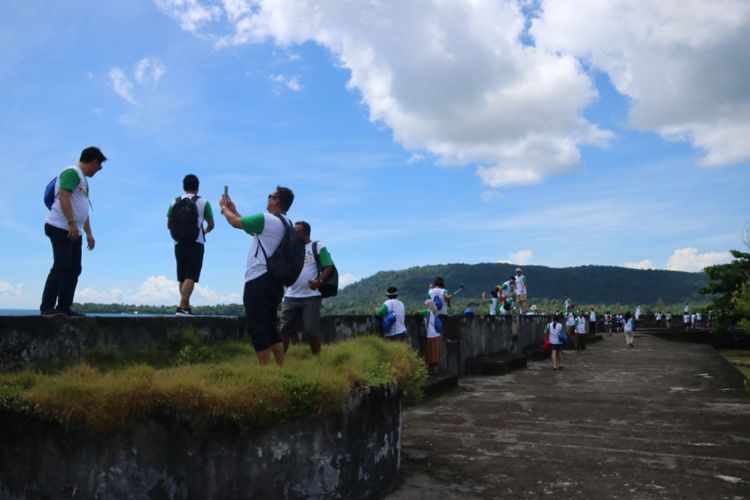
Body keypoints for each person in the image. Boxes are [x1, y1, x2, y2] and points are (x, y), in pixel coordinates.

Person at [219, 186, 296, 366]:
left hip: (259, 278)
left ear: (276, 200)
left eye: (270, 196)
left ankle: (265, 371)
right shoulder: (286, 223)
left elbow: (235, 223)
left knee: (257, 327)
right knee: (271, 326)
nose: (267, 198)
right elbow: (250, 229)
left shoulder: (267, 219)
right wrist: (234, 209)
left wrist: (224, 208)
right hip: (276, 282)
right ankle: (279, 368)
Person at [40, 146, 107, 317]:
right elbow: (64, 196)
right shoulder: (72, 172)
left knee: (74, 268)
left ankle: (64, 306)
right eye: (99, 167)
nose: (98, 171)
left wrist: (89, 233)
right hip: (60, 226)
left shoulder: (84, 181)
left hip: (74, 230)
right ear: (94, 161)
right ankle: (47, 307)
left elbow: (83, 210)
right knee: (61, 265)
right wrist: (70, 223)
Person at [280, 220, 335, 354]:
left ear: (305, 233)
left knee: (311, 330)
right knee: (284, 329)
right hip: (290, 296)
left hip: (311, 296)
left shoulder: (317, 246)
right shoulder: (291, 249)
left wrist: (320, 280)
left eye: (296, 231)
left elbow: (329, 266)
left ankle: (316, 358)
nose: (293, 233)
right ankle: (280, 361)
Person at [167, 174, 214, 316]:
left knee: (182, 276)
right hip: (196, 242)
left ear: (183, 186)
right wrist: (203, 231)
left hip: (178, 243)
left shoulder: (174, 202)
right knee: (191, 276)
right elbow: (211, 225)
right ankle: (181, 307)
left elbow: (169, 225)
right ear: (197, 187)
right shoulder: (203, 202)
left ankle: (186, 307)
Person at [422, 277, 452, 375]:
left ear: (435, 283)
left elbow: (427, 301)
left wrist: (429, 289)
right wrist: (449, 299)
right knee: (441, 338)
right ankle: (438, 365)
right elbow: (447, 298)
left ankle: (432, 367)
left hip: (433, 315)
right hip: (442, 314)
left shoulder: (430, 291)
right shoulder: (444, 290)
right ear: (442, 283)